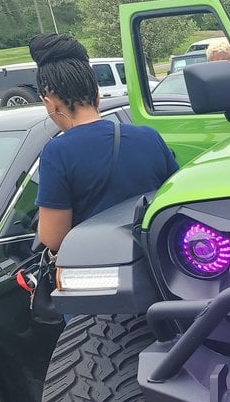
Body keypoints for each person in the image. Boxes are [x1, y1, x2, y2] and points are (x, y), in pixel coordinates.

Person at [31, 34, 179, 252]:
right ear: (97, 95)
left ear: (49, 103)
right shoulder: (149, 136)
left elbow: (54, 238)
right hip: (157, 259)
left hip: (99, 266)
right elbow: (174, 200)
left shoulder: (57, 152)